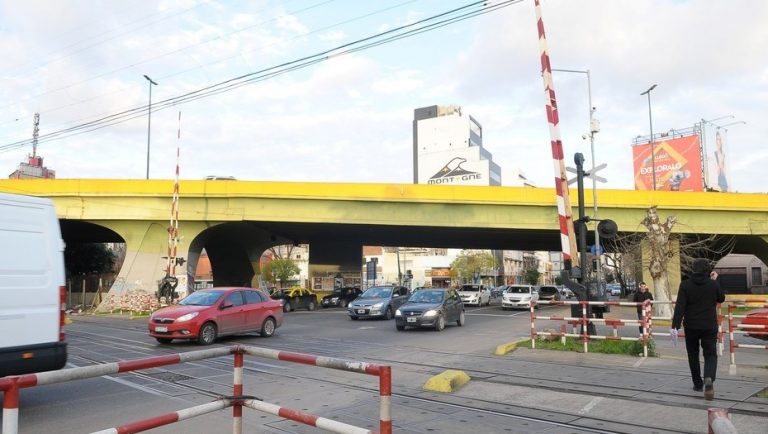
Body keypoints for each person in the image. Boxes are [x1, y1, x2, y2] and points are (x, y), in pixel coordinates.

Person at [672, 258, 725, 400]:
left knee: (693, 354)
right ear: (708, 270)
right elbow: (721, 298)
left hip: (691, 326)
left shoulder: (685, 285)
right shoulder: (713, 285)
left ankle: (697, 384)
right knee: (710, 354)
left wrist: (675, 325)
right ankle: (708, 378)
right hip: (709, 325)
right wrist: (715, 281)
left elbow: (680, 306)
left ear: (694, 269)